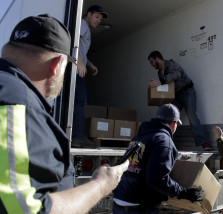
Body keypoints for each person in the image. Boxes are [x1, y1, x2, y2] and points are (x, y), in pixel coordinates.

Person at [0, 14, 128, 214]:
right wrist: (102, 184)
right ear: (57, 65)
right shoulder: (15, 103)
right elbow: (29, 211)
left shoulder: (9, 91)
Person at [113, 103, 203, 214]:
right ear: (174, 124)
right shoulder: (163, 141)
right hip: (138, 207)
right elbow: (157, 179)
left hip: (120, 200)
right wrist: (184, 193)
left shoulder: (139, 136)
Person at [147, 51, 213, 151]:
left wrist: (160, 82)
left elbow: (176, 75)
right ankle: (165, 143)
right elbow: (166, 87)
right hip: (176, 96)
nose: (151, 65)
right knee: (167, 116)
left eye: (152, 62)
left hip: (187, 92)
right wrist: (161, 100)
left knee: (192, 117)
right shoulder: (160, 72)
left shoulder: (171, 64)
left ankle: (204, 143)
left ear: (157, 58)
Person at [72, 5, 108, 148]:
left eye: (100, 19)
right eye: (96, 17)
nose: (98, 20)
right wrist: (79, 63)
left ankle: (77, 136)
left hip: (80, 67)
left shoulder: (86, 29)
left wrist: (89, 64)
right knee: (80, 102)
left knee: (80, 102)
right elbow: (73, 42)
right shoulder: (81, 24)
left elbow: (82, 51)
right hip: (76, 69)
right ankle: (78, 137)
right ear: (88, 14)